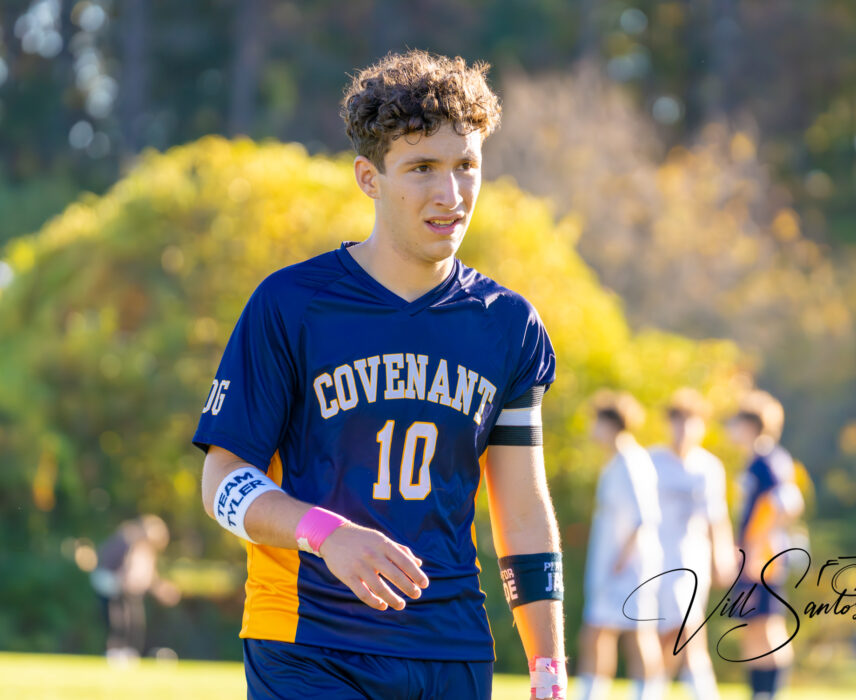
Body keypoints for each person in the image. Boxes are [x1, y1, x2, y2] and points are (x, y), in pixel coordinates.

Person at [194, 49, 566, 700]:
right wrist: (326, 535)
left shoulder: (508, 324)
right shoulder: (291, 304)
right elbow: (221, 482)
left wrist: (548, 667)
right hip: (307, 645)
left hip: (449, 647)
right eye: (422, 169)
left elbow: (523, 511)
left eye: (465, 166)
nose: (450, 194)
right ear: (369, 178)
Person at [649, 388, 736, 700]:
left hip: (692, 561)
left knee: (689, 626)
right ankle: (653, 688)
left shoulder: (709, 467)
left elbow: (717, 518)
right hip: (656, 559)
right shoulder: (652, 461)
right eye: (678, 421)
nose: (683, 429)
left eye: (690, 422)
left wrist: (723, 556)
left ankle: (696, 690)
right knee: (670, 632)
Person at [576, 390, 664, 700]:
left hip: (630, 566)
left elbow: (644, 516)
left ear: (610, 423)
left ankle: (648, 694)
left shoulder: (631, 460)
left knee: (637, 633)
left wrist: (620, 560)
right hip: (612, 565)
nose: (592, 429)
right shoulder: (614, 462)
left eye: (596, 421)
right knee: (598, 633)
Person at [726, 389, 804, 700]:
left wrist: (757, 545)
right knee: (753, 627)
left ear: (751, 425)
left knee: (769, 626)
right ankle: (759, 693)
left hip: (763, 559)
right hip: (752, 556)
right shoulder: (755, 461)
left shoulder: (768, 460)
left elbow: (787, 503)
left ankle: (770, 693)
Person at [90, 514, 181, 658]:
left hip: (127, 588)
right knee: (119, 620)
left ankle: (128, 650)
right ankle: (116, 650)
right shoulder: (129, 540)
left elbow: (148, 575)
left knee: (134, 620)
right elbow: (127, 569)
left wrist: (160, 589)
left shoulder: (145, 548)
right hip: (112, 584)